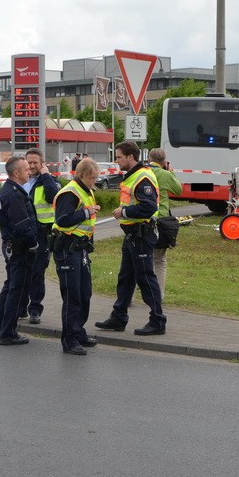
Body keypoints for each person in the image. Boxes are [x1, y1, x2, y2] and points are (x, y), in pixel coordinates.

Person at [95, 141, 167, 336]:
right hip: (133, 235)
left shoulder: (142, 177)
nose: (116, 161)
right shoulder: (134, 175)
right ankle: (118, 317)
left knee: (145, 278)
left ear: (130, 157)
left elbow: (149, 206)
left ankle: (158, 320)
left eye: (118, 157)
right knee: (125, 278)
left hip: (142, 234)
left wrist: (124, 211)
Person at [51, 157, 102, 355]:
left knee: (84, 293)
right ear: (80, 175)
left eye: (96, 178)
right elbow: (62, 220)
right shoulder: (69, 193)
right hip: (67, 249)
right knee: (72, 295)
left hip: (80, 249)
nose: (94, 182)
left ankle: (78, 330)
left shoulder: (86, 190)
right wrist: (87, 213)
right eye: (91, 178)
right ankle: (69, 340)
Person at [0, 155, 37, 346]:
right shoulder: (15, 195)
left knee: (9, 286)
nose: (29, 171)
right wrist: (34, 243)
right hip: (20, 248)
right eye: (26, 169)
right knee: (18, 290)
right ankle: (8, 332)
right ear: (16, 173)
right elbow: (22, 226)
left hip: (10, 246)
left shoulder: (6, 191)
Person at [19, 148, 60, 324]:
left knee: (37, 273)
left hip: (41, 235)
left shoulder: (49, 181)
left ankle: (35, 308)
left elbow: (53, 198)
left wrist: (45, 176)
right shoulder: (19, 180)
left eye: (36, 162)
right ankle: (20, 308)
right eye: (30, 162)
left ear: (43, 164)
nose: (33, 165)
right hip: (22, 235)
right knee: (20, 272)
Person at [147, 148, 182, 299]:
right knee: (159, 260)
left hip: (143, 217)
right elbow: (178, 190)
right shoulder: (165, 174)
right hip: (160, 219)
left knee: (140, 258)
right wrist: (171, 172)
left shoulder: (143, 172)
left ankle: (129, 294)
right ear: (164, 162)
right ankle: (158, 295)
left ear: (149, 159)